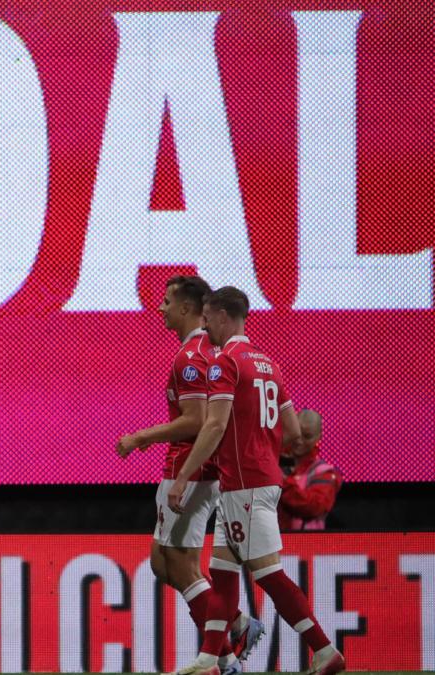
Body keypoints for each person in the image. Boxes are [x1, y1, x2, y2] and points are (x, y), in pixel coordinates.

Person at [167, 287, 345, 675]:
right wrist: (261, 443)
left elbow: (213, 424)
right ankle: (210, 659)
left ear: (223, 316)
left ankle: (324, 649)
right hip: (263, 479)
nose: (206, 325)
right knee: (224, 570)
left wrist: (182, 478)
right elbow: (295, 432)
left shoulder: (225, 361)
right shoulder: (269, 363)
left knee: (268, 573)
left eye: (209, 318)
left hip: (244, 483)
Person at [116, 276, 258, 671]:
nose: (159, 308)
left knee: (178, 565)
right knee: (164, 563)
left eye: (165, 302)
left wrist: (141, 436)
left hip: (190, 469)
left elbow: (197, 421)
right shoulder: (202, 351)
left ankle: (226, 649)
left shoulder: (192, 357)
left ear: (185, 309)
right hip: (195, 468)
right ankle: (232, 630)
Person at [278, 410, 343, 531]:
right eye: (297, 433)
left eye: (307, 436)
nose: (299, 440)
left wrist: (282, 481)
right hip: (266, 541)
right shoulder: (273, 459)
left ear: (319, 436)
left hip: (305, 544)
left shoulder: (325, 472)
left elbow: (313, 506)